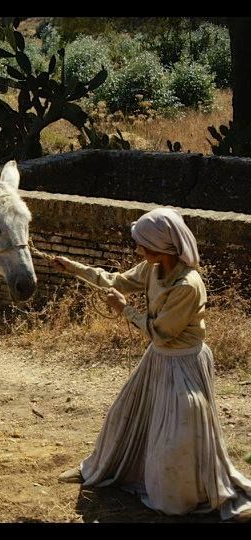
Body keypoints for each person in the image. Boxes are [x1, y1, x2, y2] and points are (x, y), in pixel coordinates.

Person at [51, 207, 251, 522]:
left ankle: (182, 493)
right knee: (124, 416)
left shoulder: (186, 284)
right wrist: (73, 267)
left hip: (183, 364)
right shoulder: (152, 268)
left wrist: (124, 310)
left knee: (178, 437)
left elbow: (161, 333)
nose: (137, 249)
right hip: (158, 360)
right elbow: (114, 280)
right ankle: (103, 469)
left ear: (162, 247)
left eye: (142, 243)